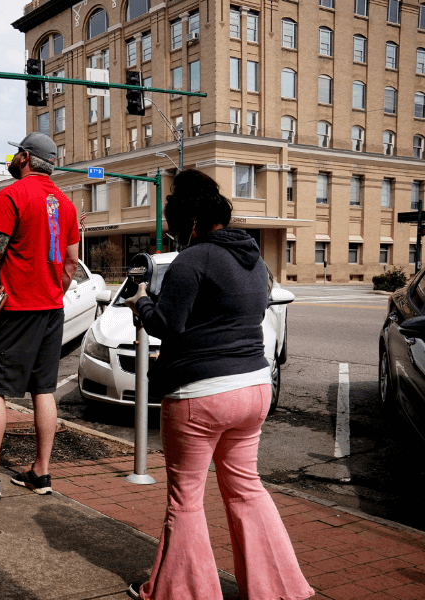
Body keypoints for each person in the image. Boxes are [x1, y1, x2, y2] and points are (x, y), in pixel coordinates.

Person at [124, 169, 313, 600]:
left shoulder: (193, 260)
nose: (176, 239)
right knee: (246, 487)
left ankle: (185, 592)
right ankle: (275, 589)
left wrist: (141, 303)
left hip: (201, 395)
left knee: (186, 498)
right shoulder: (254, 259)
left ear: (189, 222)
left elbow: (169, 325)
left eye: (175, 228)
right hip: (254, 387)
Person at [0, 133, 78, 501]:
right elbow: (70, 261)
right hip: (52, 309)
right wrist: (53, 290)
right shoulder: (66, 205)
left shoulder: (10, 195)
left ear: (24, 157)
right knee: (44, 389)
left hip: (15, 311)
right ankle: (41, 472)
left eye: (15, 153)